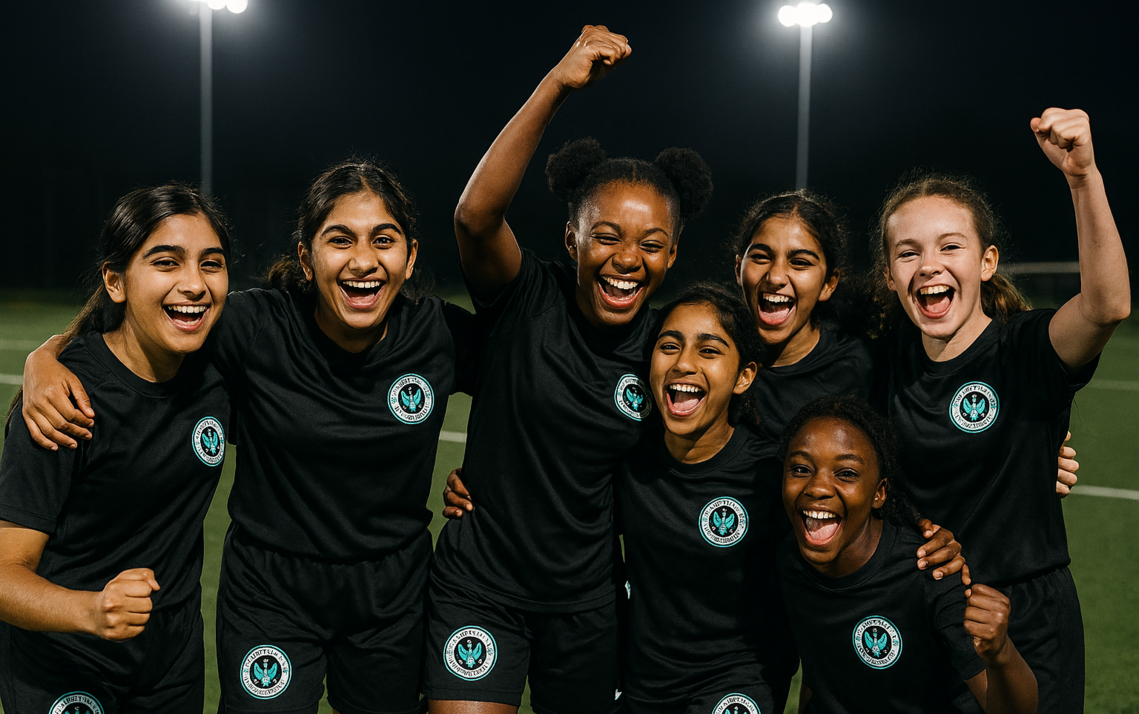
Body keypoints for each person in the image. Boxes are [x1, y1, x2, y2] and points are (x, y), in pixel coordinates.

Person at [21, 161, 480, 714]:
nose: (363, 260)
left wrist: (487, 474)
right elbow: (137, 319)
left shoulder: (438, 332)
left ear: (409, 257)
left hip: (393, 593)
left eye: (383, 239)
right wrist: (47, 356)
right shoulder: (254, 326)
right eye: (340, 239)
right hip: (270, 592)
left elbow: (528, 374)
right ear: (307, 258)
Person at [424, 25, 713, 714]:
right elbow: (474, 218)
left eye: (651, 244)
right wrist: (557, 84)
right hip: (480, 587)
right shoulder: (525, 297)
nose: (627, 259)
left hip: (588, 605)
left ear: (672, 255)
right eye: (606, 236)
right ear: (571, 238)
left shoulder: (668, 350)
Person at [874, 108, 1130, 712]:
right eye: (908, 253)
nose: (929, 264)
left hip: (1025, 618)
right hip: (920, 611)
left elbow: (1107, 305)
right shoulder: (881, 361)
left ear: (986, 263)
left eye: (950, 246)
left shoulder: (1024, 351)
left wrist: (1082, 178)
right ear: (889, 276)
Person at [0, 185, 232, 714]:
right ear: (115, 281)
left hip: (170, 665)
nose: (194, 284)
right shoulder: (65, 402)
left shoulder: (217, 367)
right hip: (64, 663)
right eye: (166, 262)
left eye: (211, 263)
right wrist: (92, 610)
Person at [732, 189, 1081, 493]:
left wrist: (1022, 454)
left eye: (799, 262)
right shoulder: (712, 358)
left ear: (829, 283)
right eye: (760, 257)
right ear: (738, 268)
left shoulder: (870, 363)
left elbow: (924, 442)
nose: (776, 276)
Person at [777, 396, 1039, 714]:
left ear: (879, 492)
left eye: (846, 473)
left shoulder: (932, 571)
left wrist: (1001, 654)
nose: (818, 488)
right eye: (801, 469)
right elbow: (820, 674)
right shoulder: (787, 561)